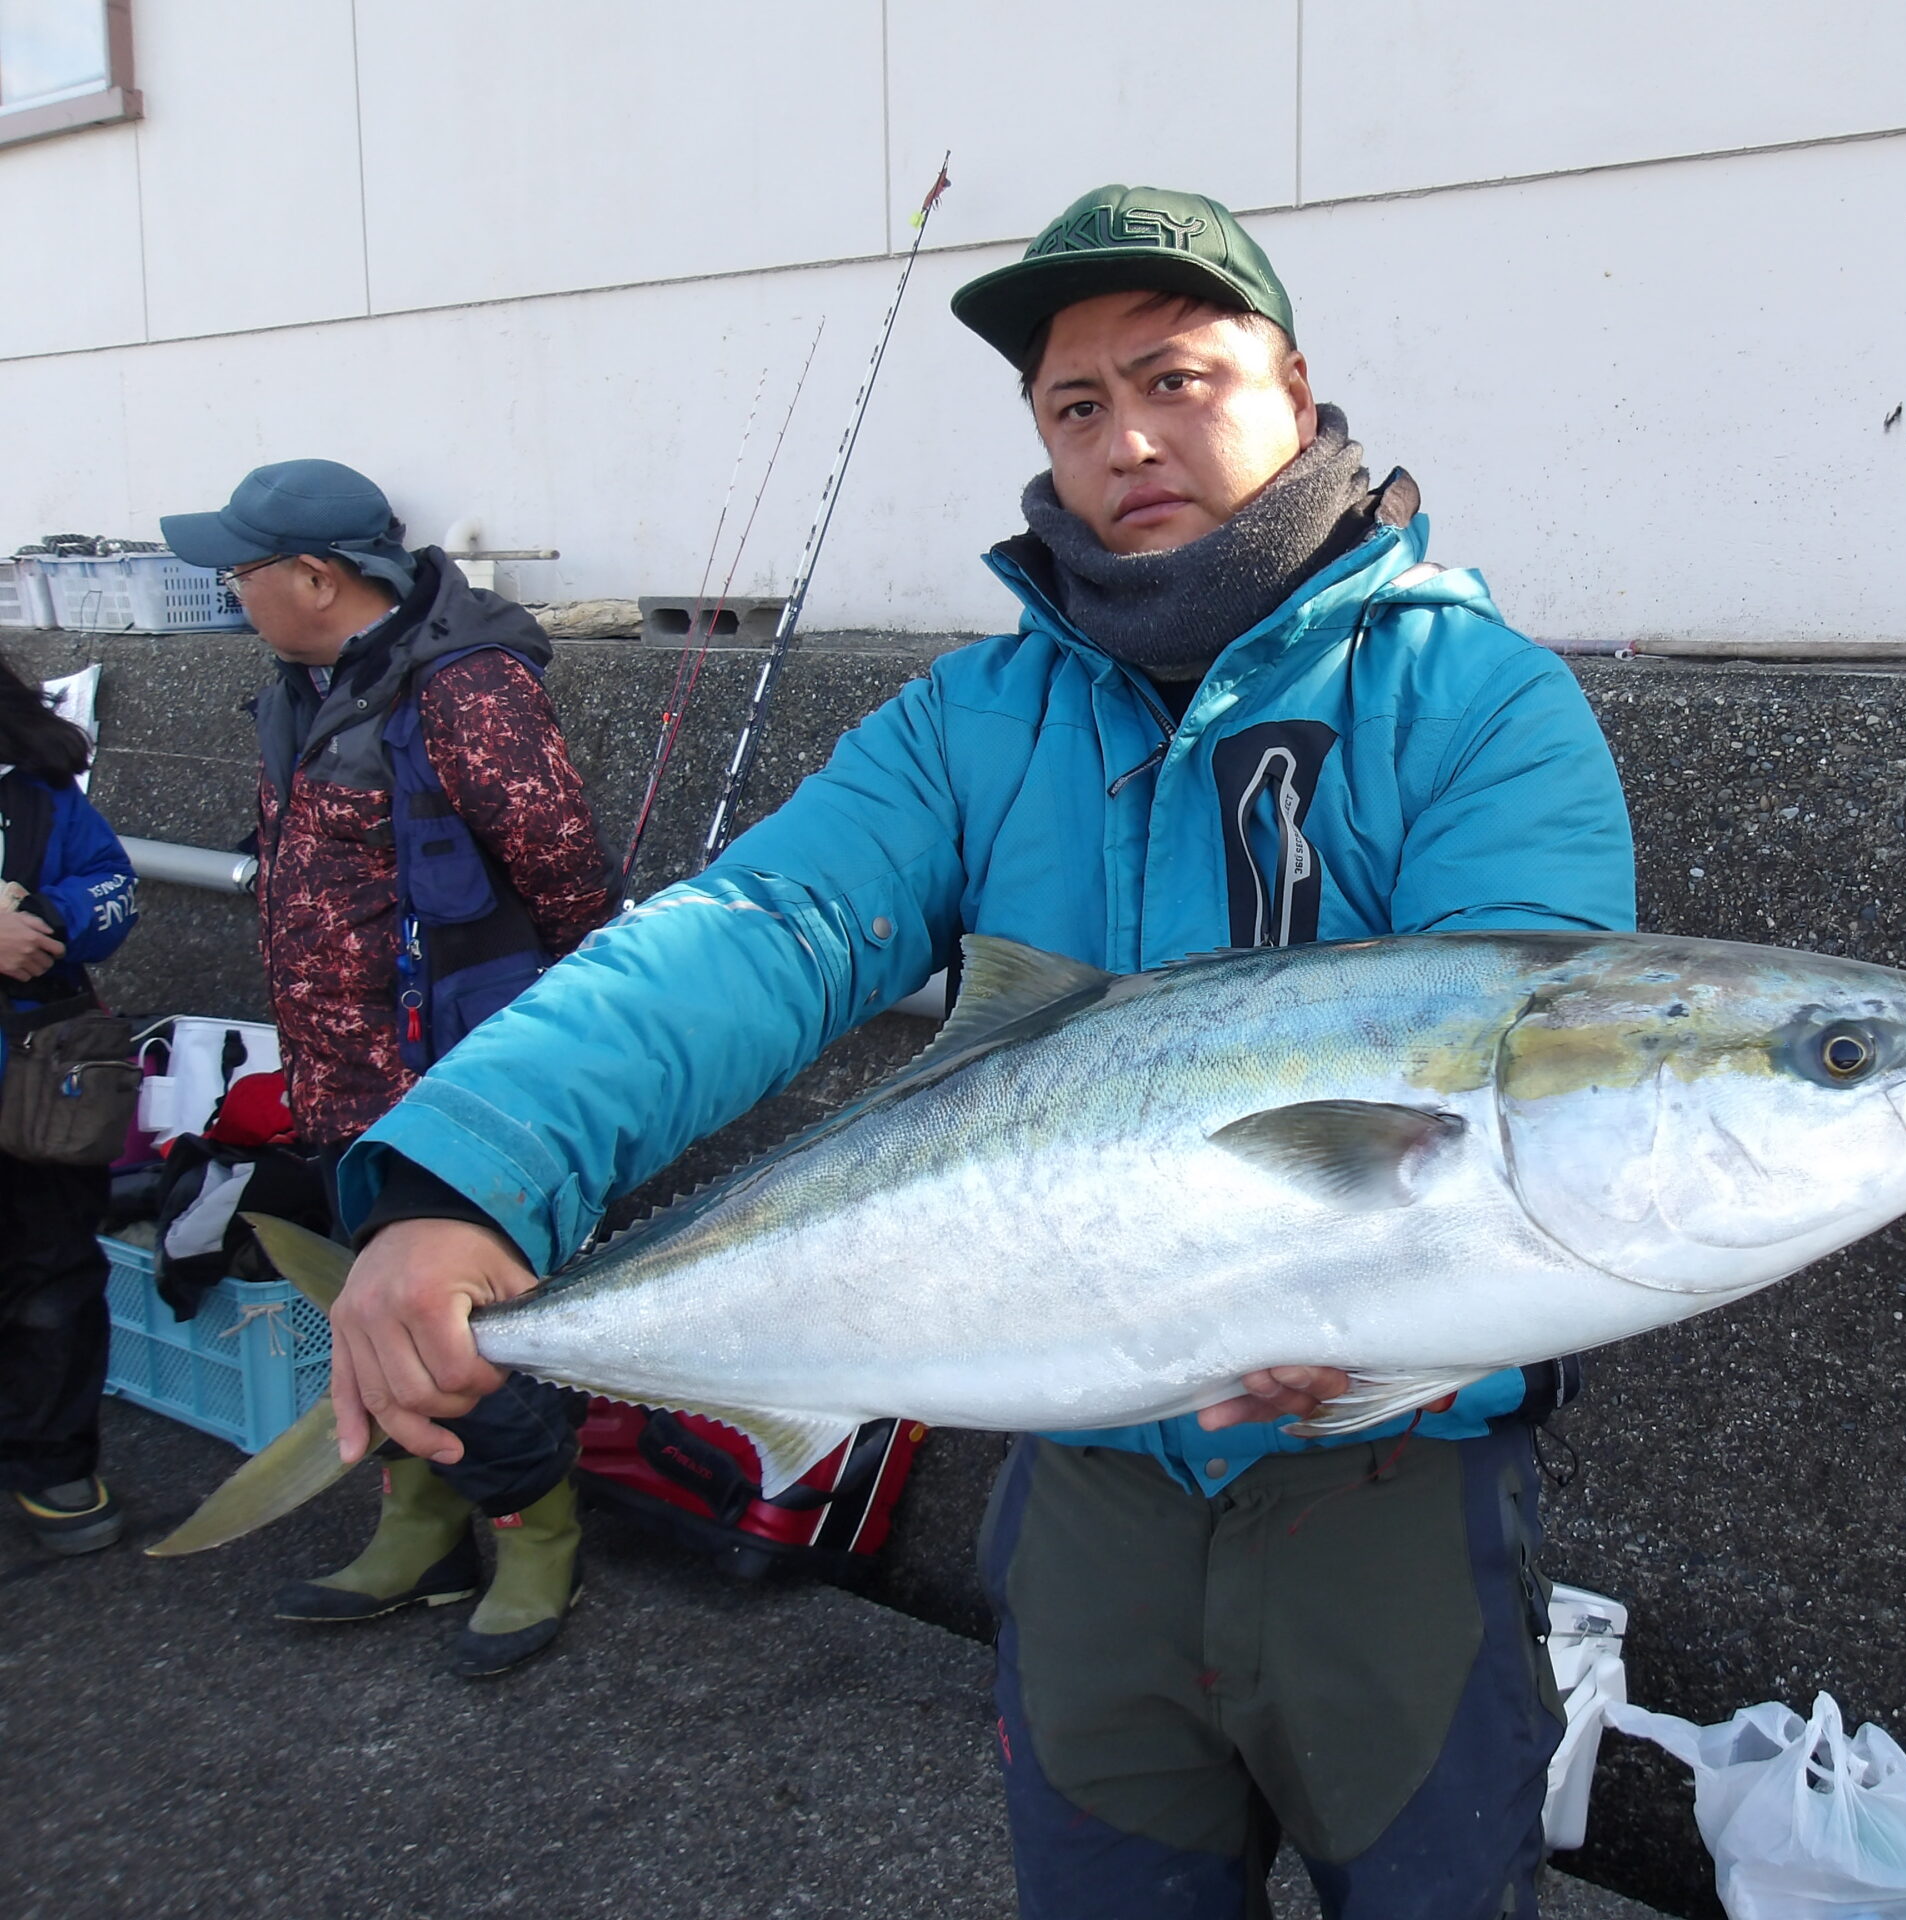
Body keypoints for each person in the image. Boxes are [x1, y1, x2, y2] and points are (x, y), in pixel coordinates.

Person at [325, 186, 1635, 1913]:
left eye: (1178, 379)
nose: (1129, 439)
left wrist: (1417, 1336)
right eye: (1076, 406)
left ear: (1298, 389)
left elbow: (1520, 1066)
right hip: (1088, 1476)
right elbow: (762, 930)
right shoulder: (976, 720)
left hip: (1395, 1489)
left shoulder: (1470, 699)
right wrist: (462, 1172)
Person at [161, 462, 614, 1676]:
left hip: (452, 1086)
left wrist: (542, 1063)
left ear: (316, 576)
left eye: (240, 571)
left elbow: (566, 870)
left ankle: (534, 1537)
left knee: (470, 1326)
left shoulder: (468, 689)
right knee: (375, 1311)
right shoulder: (307, 686)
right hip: (339, 1080)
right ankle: (417, 1523)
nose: (229, 590)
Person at [0, 653, 138, 1554]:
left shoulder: (41, 795)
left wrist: (44, 918)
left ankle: (53, 1459)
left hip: (35, 1088)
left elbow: (114, 890)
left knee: (51, 1275)